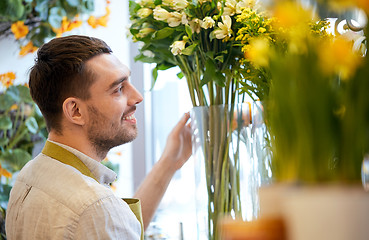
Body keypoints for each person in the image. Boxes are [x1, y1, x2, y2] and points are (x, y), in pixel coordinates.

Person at [5, 35, 192, 239]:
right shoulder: (96, 207)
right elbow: (102, 215)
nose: (138, 97)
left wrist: (170, 161)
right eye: (118, 89)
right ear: (75, 110)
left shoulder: (28, 177)